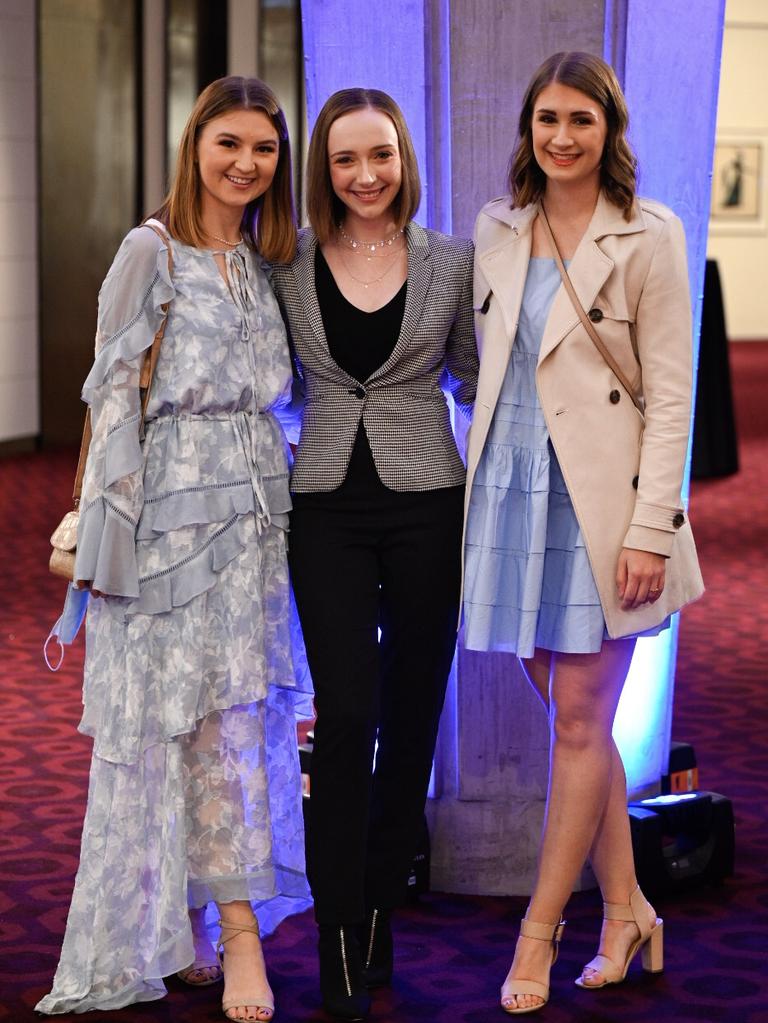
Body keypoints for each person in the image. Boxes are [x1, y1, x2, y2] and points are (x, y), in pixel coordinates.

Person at [36, 76, 311, 1022]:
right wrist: (109, 542)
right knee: (166, 732)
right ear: (195, 143)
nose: (245, 163)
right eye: (229, 143)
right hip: (163, 531)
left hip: (256, 528)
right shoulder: (147, 251)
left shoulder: (271, 261)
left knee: (234, 727)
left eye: (264, 149)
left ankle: (223, 927)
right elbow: (108, 406)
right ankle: (209, 932)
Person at [462, 52, 704, 1014]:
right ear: (527, 128)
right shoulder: (496, 229)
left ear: (611, 130)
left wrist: (651, 527)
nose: (561, 138)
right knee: (577, 721)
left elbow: (673, 398)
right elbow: (478, 361)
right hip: (512, 491)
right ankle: (630, 907)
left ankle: (540, 934)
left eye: (581, 121)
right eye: (546, 120)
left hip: (605, 502)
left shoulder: (651, 234)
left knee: (576, 722)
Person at [270, 88, 477, 1020]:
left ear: (404, 159)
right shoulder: (288, 265)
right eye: (347, 159)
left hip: (430, 497)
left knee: (413, 715)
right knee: (348, 714)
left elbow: (480, 372)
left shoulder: (450, 263)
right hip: (324, 505)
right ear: (324, 167)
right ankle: (338, 923)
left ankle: (380, 904)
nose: (365, 175)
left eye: (381, 155)